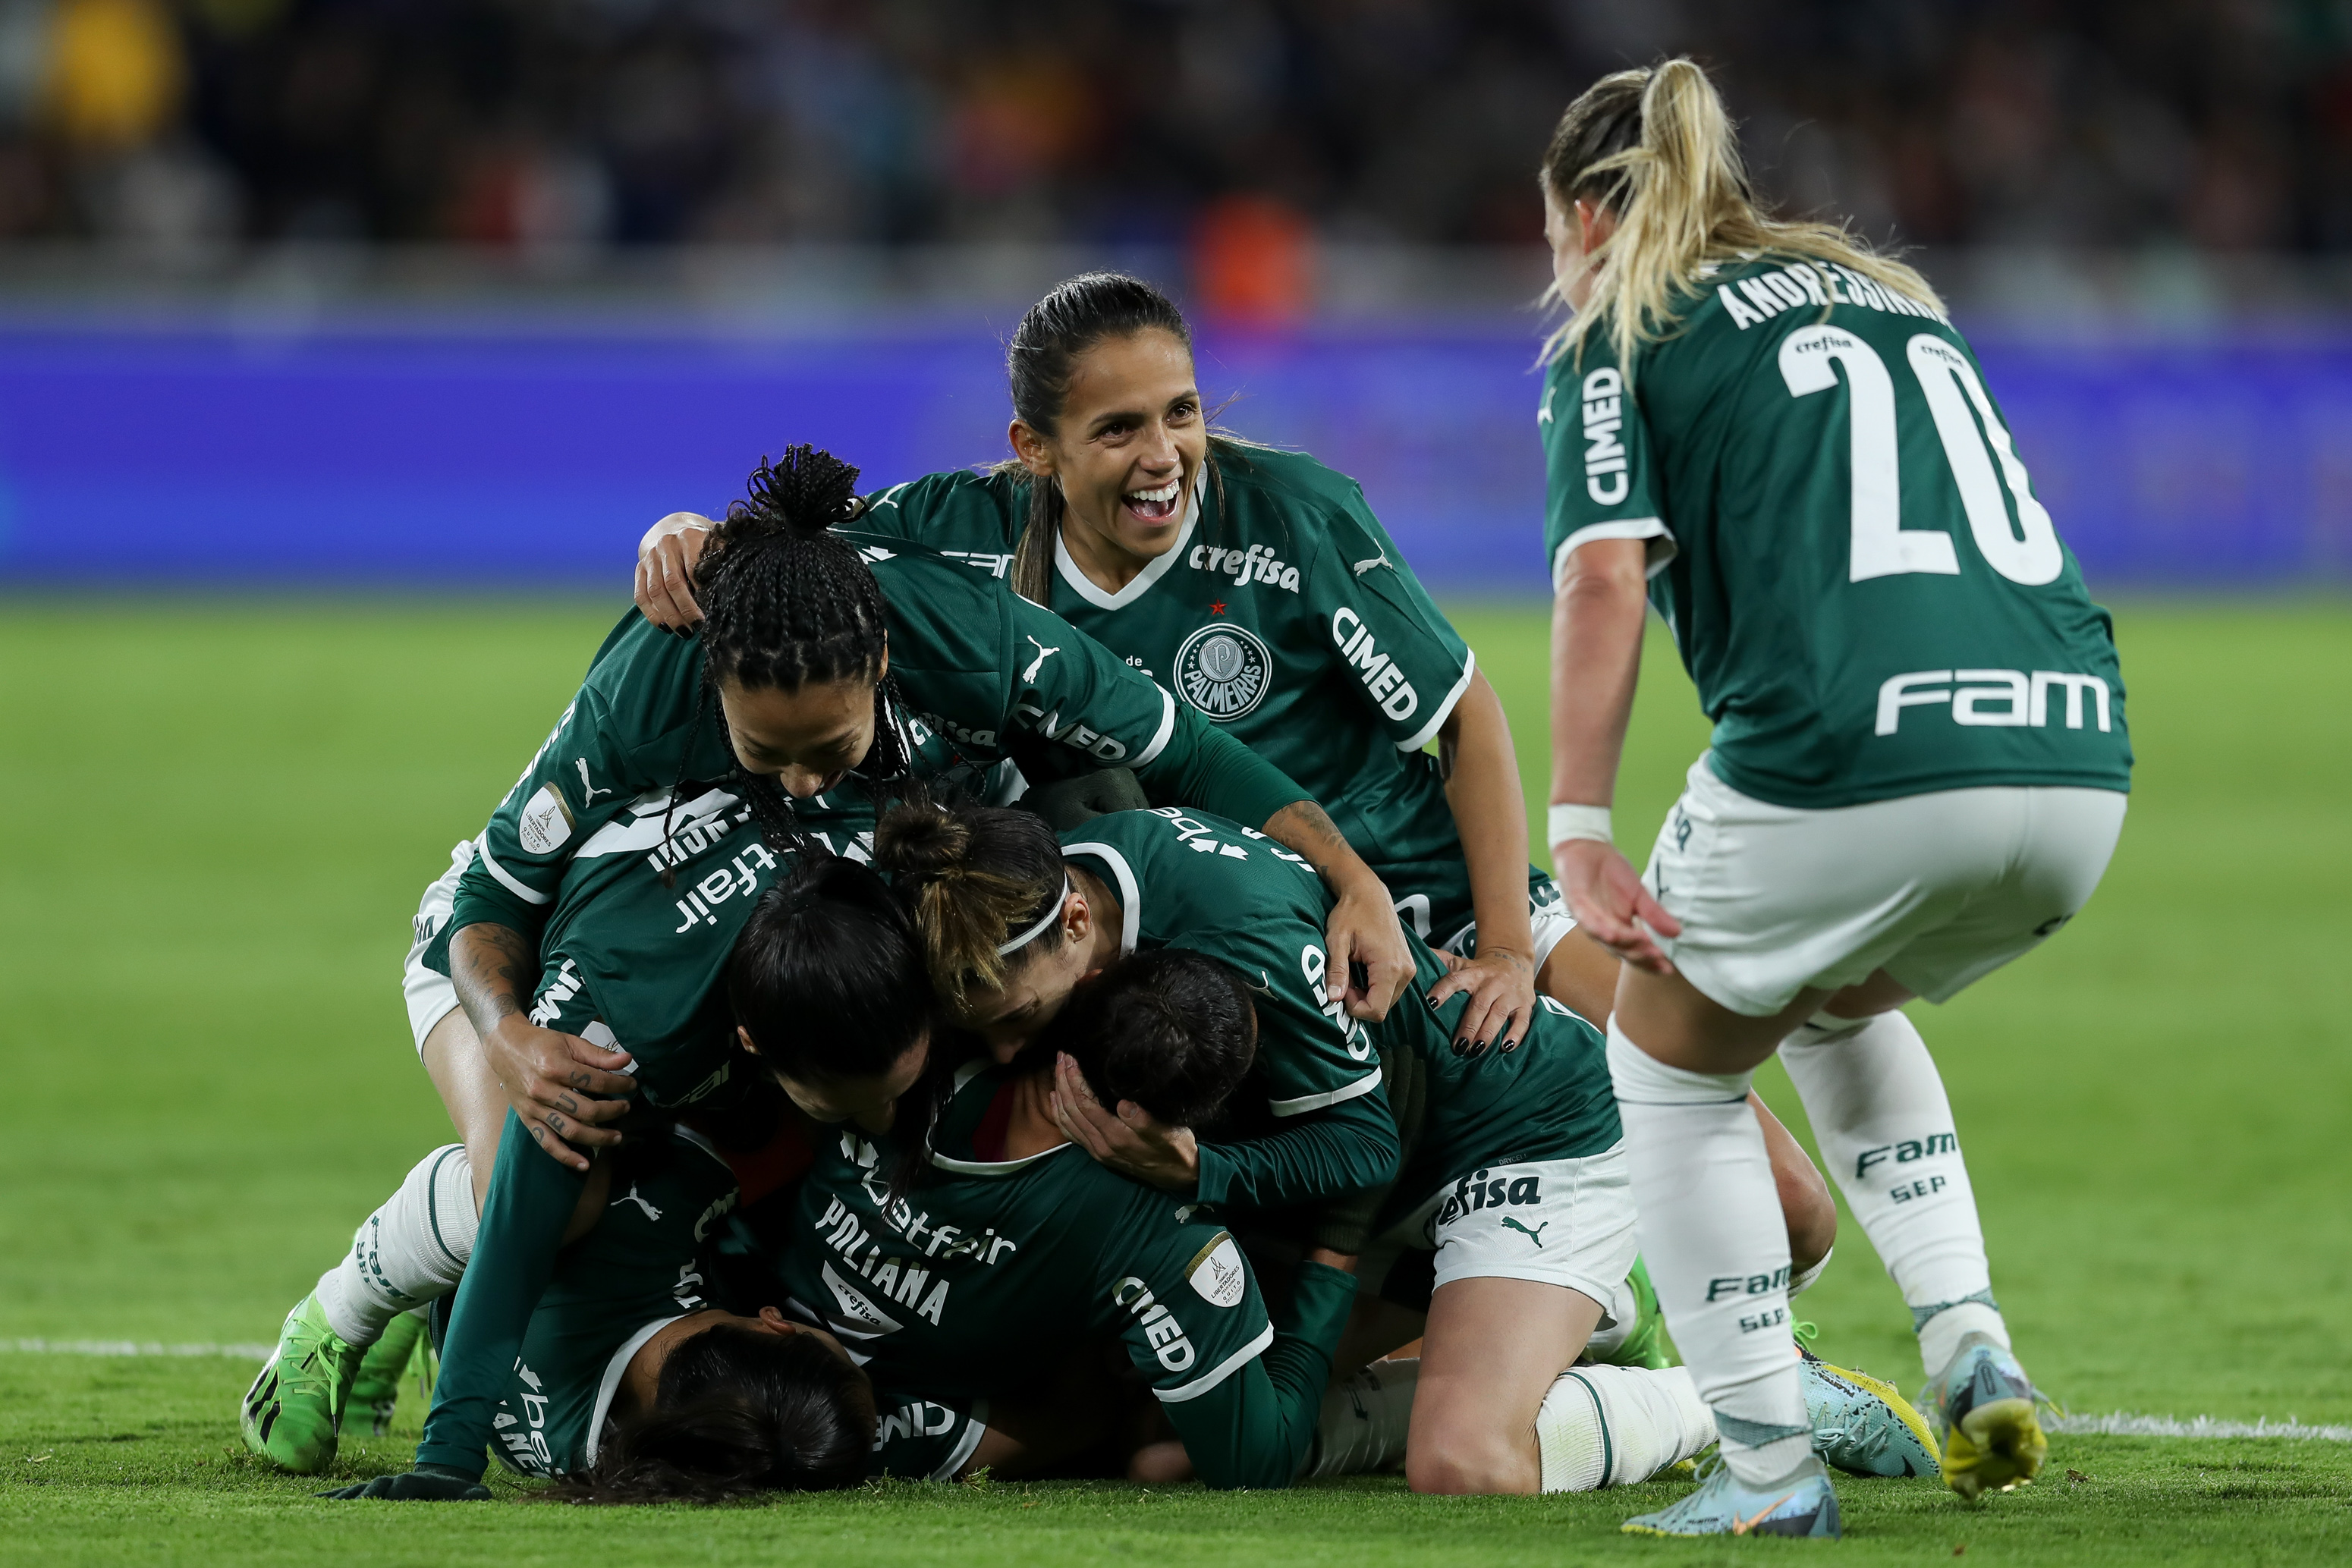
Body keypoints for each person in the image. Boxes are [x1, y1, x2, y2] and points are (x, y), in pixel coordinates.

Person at [633, 270, 1826, 1218]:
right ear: (1033, 448)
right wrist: (692, 530)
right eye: (1118, 428)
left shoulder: (1295, 516)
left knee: (1783, 1201)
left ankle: (1768, 1362)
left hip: (1429, 887)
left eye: (1182, 412)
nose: (1163, 454)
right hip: (1227, 935)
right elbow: (799, 564)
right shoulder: (958, 530)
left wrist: (1510, 948)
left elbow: (1464, 714)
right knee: (1370, 1193)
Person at [357, 442, 1413, 1497]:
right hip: (626, 923)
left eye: (832, 746)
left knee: (1098, 820)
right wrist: (508, 1038)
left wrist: (1349, 876)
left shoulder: (970, 639)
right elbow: (493, 900)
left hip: (946, 849)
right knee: (529, 1167)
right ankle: (356, 1296)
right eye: (769, 755)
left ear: (881, 668)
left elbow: (1190, 749)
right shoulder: (650, 750)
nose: (808, 778)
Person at [1536, 62, 2130, 1538]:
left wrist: (1579, 825)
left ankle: (1759, 1468)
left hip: (1857, 761)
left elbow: (1602, 571)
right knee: (1821, 988)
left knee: (1666, 1062)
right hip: (2076, 761)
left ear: (1587, 215)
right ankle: (1964, 1335)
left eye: (1548, 236)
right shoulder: (1882, 292)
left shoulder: (1622, 318)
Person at [866, 799, 1925, 1495]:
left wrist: (1206, 1175)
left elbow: (1362, 1141)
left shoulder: (1244, 933)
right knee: (1163, 1451)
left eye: (1017, 1017)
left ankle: (1749, 1390)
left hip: (1512, 1131)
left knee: (1465, 1462)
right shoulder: (1027, 899)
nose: (1006, 1046)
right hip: (1369, 1196)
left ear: (1081, 923)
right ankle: (1591, 1304)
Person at [728, 865, 1358, 1491]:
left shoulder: (945, 1036)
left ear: (1086, 986)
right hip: (811, 1383)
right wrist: (1336, 1252)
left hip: (783, 1357)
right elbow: (1255, 1461)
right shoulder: (1163, 1233)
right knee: (1152, 1449)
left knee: (1150, 1446)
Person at [258, 1127, 882, 1502]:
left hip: (491, 969)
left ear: (777, 1322)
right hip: (473, 1333)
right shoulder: (602, 1459)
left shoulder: (662, 1205)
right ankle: (415, 1306)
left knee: (534, 1184)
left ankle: (336, 1319)